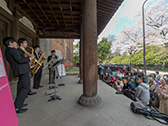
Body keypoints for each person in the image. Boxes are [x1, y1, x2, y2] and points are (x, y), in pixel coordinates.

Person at [3, 37, 35, 113]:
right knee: (25, 88)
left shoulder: (8, 50)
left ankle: (18, 104)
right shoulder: (12, 50)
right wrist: (30, 59)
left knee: (21, 87)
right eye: (15, 42)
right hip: (22, 70)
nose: (16, 44)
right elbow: (20, 60)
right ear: (10, 43)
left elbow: (18, 59)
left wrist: (25, 58)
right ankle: (17, 107)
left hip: (20, 70)